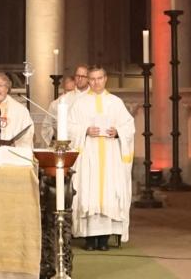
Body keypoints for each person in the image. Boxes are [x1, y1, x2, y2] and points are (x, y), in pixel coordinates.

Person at [68, 66, 135, 251]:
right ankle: (89, 239)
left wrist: (118, 132)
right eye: (92, 79)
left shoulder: (115, 103)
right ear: (88, 80)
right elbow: (69, 127)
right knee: (89, 192)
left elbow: (129, 126)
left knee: (108, 194)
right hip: (88, 154)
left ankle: (104, 239)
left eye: (99, 78)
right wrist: (85, 130)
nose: (96, 82)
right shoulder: (80, 103)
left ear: (105, 79)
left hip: (110, 155)